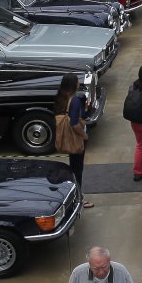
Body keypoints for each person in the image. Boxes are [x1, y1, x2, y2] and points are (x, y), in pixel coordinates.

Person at [53, 74, 94, 209]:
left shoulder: (61, 98)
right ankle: (79, 197)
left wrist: (85, 109)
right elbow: (74, 123)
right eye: (77, 82)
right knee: (77, 169)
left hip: (68, 138)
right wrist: (84, 135)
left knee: (73, 167)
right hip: (76, 138)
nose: (78, 83)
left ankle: (74, 194)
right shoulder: (75, 100)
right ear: (73, 85)